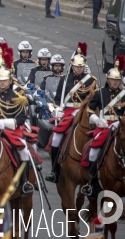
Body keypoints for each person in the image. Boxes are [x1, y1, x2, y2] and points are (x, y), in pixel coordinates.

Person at [45, 45, 97, 183]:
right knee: (56, 137)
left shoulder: (91, 80)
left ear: (84, 66)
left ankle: (96, 173)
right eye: (76, 66)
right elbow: (57, 99)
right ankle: (55, 170)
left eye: (81, 67)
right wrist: (57, 109)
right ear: (72, 66)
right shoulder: (65, 78)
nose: (78, 69)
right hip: (68, 112)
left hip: (85, 112)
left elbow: (96, 101)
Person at [0, 60, 35, 195]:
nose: (2, 83)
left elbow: (22, 118)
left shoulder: (18, 98)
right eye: (0, 80)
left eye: (4, 81)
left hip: (11, 130)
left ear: (10, 81)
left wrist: (5, 123)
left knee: (23, 150)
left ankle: (24, 182)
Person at [80, 59, 125, 197]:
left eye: (117, 80)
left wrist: (121, 122)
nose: (115, 82)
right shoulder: (100, 93)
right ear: (108, 80)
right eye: (112, 80)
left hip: (121, 126)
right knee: (93, 151)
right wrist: (97, 120)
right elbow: (89, 111)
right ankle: (92, 184)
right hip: (104, 127)